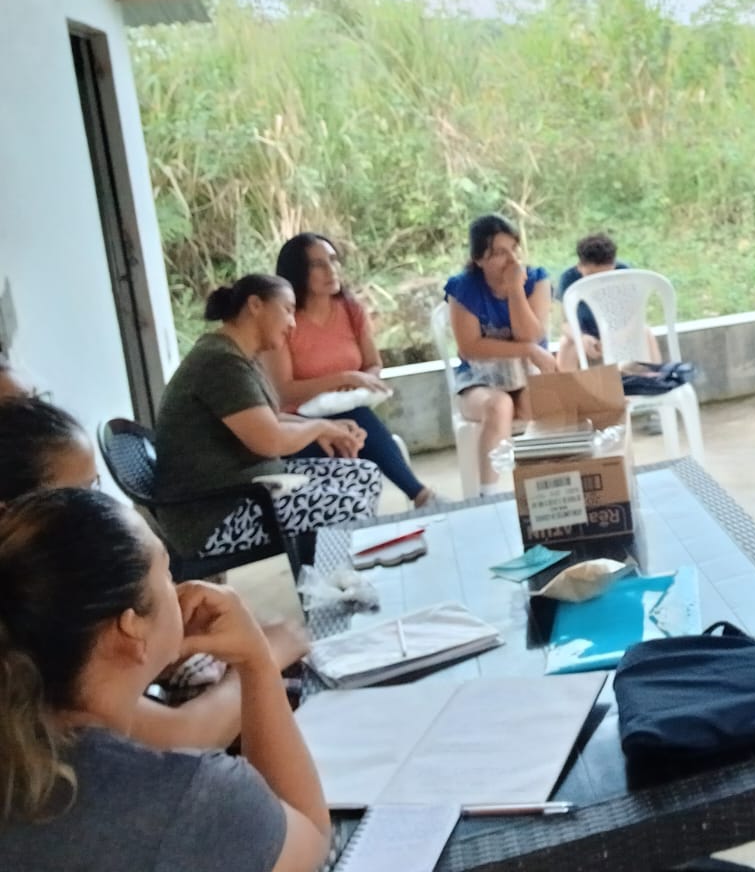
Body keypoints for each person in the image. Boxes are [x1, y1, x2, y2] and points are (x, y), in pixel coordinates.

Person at [0, 489, 331, 871]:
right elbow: (310, 841)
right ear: (131, 629)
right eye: (168, 573)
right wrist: (256, 661)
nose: (181, 591)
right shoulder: (186, 798)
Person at [0, 394, 308, 751]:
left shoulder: (59, 591)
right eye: (80, 495)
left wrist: (165, 645)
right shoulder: (28, 620)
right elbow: (183, 738)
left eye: (95, 487)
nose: (104, 509)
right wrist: (262, 656)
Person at [154, 274, 383, 559]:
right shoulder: (221, 363)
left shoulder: (236, 355)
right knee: (347, 505)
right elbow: (271, 441)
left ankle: (324, 574)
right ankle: (332, 584)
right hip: (215, 515)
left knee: (364, 475)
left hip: (252, 488)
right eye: (287, 310)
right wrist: (319, 427)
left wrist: (327, 428)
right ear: (255, 305)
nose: (292, 323)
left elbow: (269, 420)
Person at [262, 232, 434, 507]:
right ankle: (418, 496)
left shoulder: (351, 310)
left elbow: (373, 365)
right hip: (298, 421)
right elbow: (283, 391)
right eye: (318, 264)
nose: (331, 270)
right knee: (353, 430)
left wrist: (365, 383)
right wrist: (344, 378)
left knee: (357, 422)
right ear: (298, 271)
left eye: (333, 260)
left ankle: (420, 496)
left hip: (351, 411)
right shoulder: (285, 320)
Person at [444, 214, 558, 486]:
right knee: (499, 406)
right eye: (498, 253)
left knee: (540, 404)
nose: (511, 260)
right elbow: (470, 347)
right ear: (478, 259)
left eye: (514, 249)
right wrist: (528, 350)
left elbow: (530, 334)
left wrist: (515, 289)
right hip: (480, 380)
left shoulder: (537, 280)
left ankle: (541, 487)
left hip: (528, 375)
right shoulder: (463, 288)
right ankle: (489, 495)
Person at [554, 232, 661, 371]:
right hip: (587, 335)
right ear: (580, 266)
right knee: (565, 345)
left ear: (613, 265)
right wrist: (581, 338)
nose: (598, 282)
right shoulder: (568, 279)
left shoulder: (624, 273)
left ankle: (657, 377)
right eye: (591, 276)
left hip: (620, 331)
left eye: (606, 276)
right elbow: (564, 323)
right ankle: (569, 384)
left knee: (645, 333)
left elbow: (637, 314)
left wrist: (621, 335)